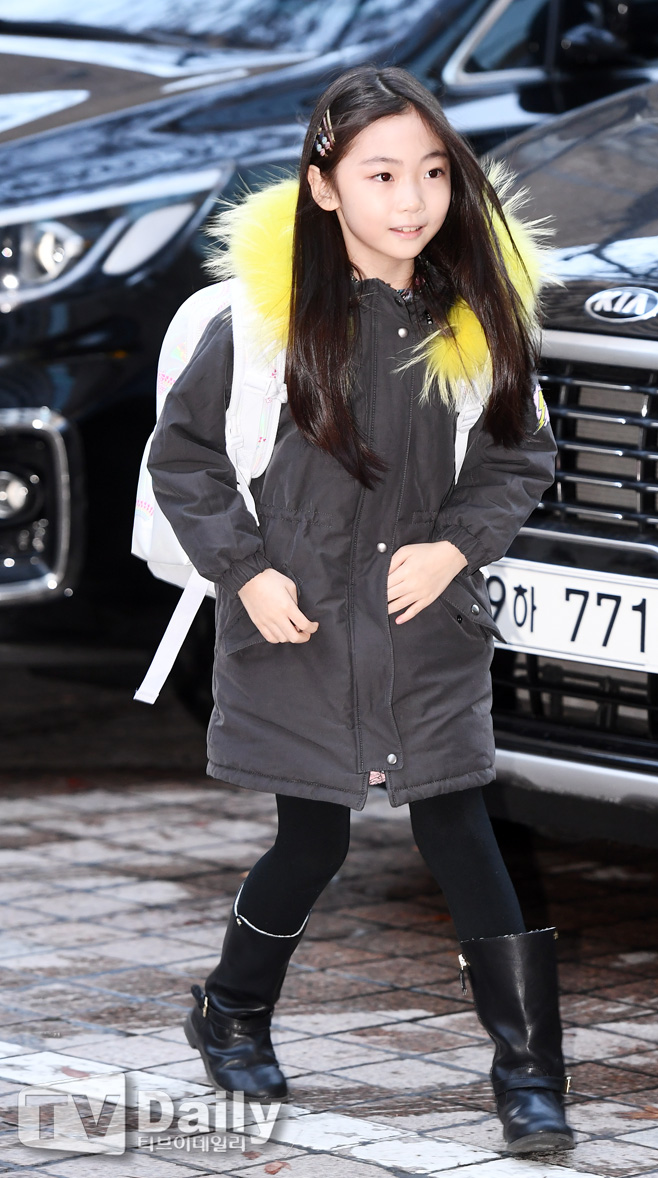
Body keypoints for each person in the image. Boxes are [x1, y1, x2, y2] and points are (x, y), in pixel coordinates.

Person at [147, 65, 573, 1155]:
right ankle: (231, 1008)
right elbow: (185, 457)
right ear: (324, 185)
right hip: (300, 623)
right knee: (311, 837)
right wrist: (245, 570)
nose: (412, 198)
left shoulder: (474, 318)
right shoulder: (263, 320)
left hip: (426, 626)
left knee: (460, 826)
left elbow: (520, 455)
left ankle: (530, 1070)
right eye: (381, 174)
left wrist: (455, 544)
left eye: (432, 171)